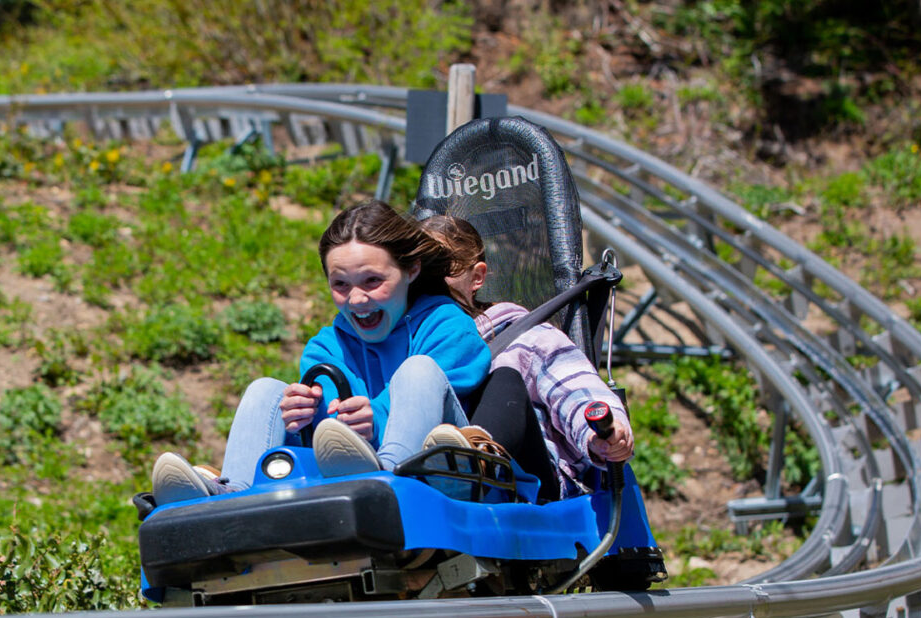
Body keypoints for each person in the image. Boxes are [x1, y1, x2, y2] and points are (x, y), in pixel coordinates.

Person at [151, 201, 491, 504]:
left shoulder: (446, 326)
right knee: (266, 390)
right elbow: (332, 437)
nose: (356, 299)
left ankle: (389, 474)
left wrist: (377, 416)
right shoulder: (325, 349)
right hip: (345, 473)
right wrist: (301, 422)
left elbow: (447, 392)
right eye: (340, 284)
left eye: (372, 281)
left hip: (444, 470)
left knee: (419, 369)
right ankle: (235, 495)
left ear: (411, 270)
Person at [420, 214, 633, 502]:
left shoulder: (526, 338)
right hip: (429, 479)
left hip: (530, 488)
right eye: (419, 273)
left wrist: (604, 436)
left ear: (477, 277)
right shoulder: (406, 347)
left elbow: (579, 391)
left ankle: (469, 470)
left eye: (442, 269)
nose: (430, 283)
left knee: (503, 379)